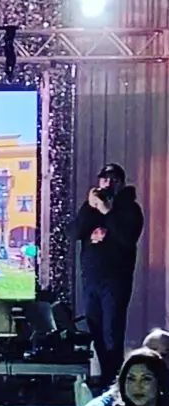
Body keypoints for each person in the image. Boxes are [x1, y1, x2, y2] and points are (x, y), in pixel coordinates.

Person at [73, 162, 144, 383]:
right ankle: (101, 376)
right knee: (94, 331)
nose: (108, 183)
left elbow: (127, 238)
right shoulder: (91, 208)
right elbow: (74, 232)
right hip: (91, 279)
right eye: (104, 179)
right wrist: (89, 206)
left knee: (111, 331)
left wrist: (108, 213)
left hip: (115, 280)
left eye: (113, 180)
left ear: (121, 184)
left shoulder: (130, 210)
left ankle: (114, 378)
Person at [81, 327, 169, 406]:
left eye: (165, 354)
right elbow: (99, 402)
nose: (158, 357)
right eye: (152, 351)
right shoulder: (127, 388)